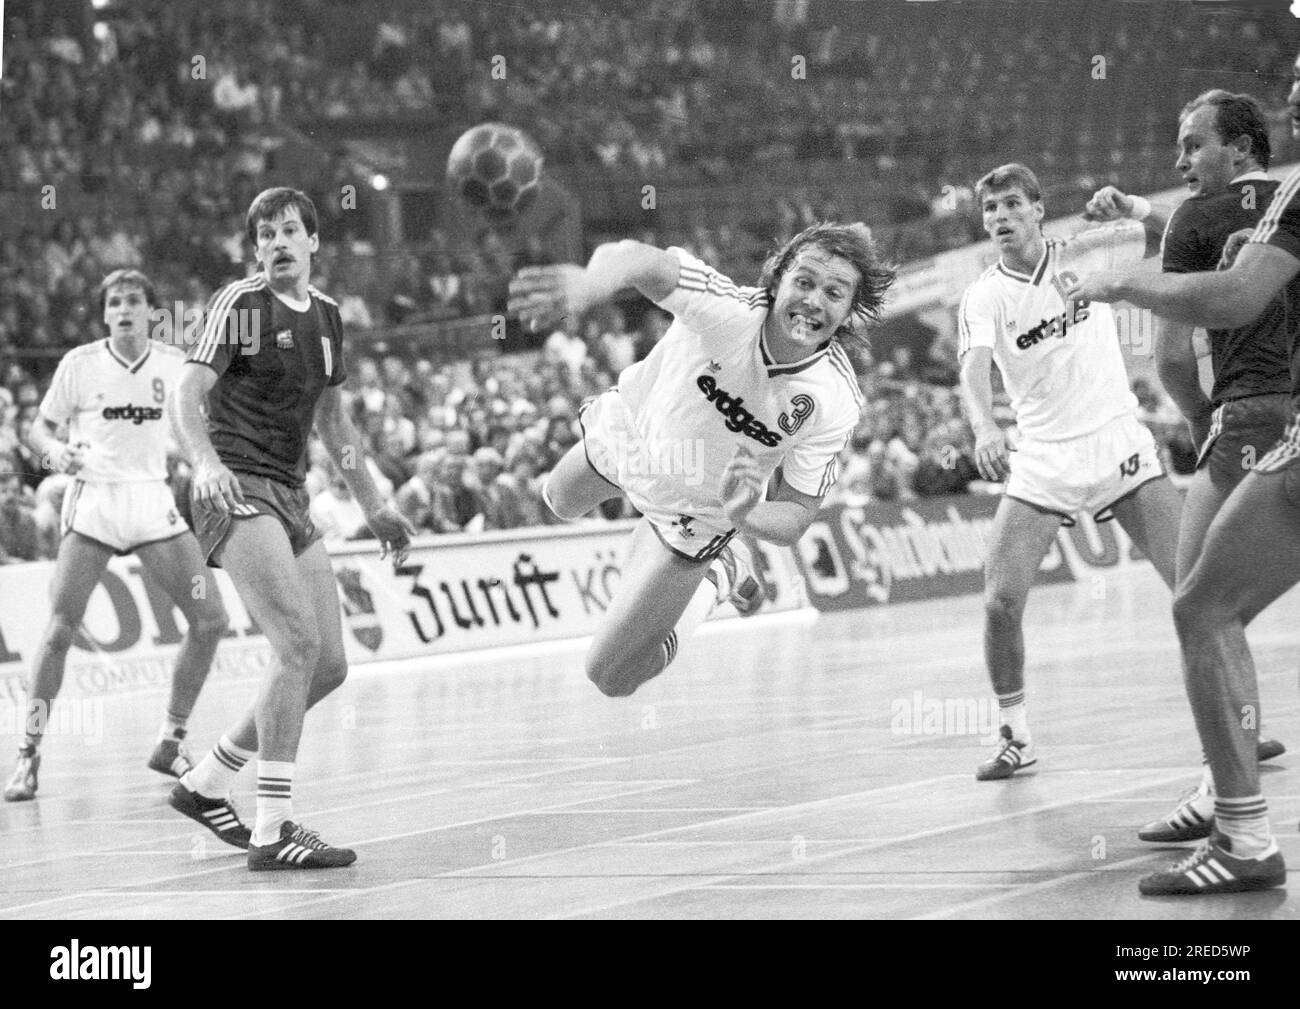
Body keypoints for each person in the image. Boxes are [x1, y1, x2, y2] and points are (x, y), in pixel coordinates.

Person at [1064, 51, 1300, 897]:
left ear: (1239, 149)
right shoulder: (1270, 198)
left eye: (1193, 142)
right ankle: (1227, 795)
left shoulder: (1247, 206)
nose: (1182, 159)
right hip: (1283, 416)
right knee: (1212, 611)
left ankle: (1234, 812)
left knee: (1202, 608)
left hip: (1246, 416)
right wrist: (1144, 217)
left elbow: (1189, 336)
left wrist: (1127, 275)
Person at [508, 223, 895, 698]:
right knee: (557, 499)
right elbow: (633, 255)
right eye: (805, 282)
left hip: (700, 512)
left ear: (851, 311)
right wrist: (591, 284)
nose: (814, 300)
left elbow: (795, 517)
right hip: (631, 435)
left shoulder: (834, 399)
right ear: (778, 280)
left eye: (834, 293)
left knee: (611, 676)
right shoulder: (726, 310)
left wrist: (744, 514)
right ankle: (699, 557)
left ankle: (722, 572)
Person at [168, 188, 412, 870]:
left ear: (312, 243)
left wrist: (374, 502)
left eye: (288, 231)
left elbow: (336, 425)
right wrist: (204, 461)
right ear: (256, 250)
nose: (276, 242)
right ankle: (272, 829)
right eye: (265, 234)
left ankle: (209, 779)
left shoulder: (330, 318)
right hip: (234, 486)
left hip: (289, 493)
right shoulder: (242, 305)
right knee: (295, 643)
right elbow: (184, 393)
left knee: (327, 663)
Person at [958, 164, 1183, 782]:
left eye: (1010, 205)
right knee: (1000, 600)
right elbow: (974, 369)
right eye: (989, 210)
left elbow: (1179, 244)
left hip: (1118, 444)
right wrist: (983, 427)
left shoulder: (1090, 248)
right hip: (1044, 459)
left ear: (1037, 208)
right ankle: (1015, 737)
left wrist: (1136, 205)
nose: (999, 218)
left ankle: (1240, 722)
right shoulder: (984, 295)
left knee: (1196, 589)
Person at [3, 269, 230, 802]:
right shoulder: (79, 365)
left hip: (152, 502)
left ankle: (171, 739)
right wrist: (53, 454)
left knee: (211, 618)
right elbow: (37, 431)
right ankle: (28, 755)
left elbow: (194, 422)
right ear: (105, 314)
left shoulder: (176, 365)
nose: (124, 309)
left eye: (133, 301)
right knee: (60, 630)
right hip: (96, 503)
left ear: (152, 311)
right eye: (114, 303)